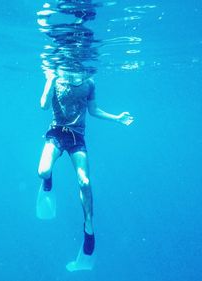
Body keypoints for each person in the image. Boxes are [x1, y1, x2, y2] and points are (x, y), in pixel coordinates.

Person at [36, 67, 134, 258]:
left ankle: (88, 227)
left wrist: (117, 119)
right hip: (56, 132)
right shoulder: (56, 78)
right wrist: (50, 79)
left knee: (85, 182)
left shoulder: (89, 83)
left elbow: (94, 109)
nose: (76, 74)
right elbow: (43, 105)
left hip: (77, 137)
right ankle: (48, 181)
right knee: (43, 171)